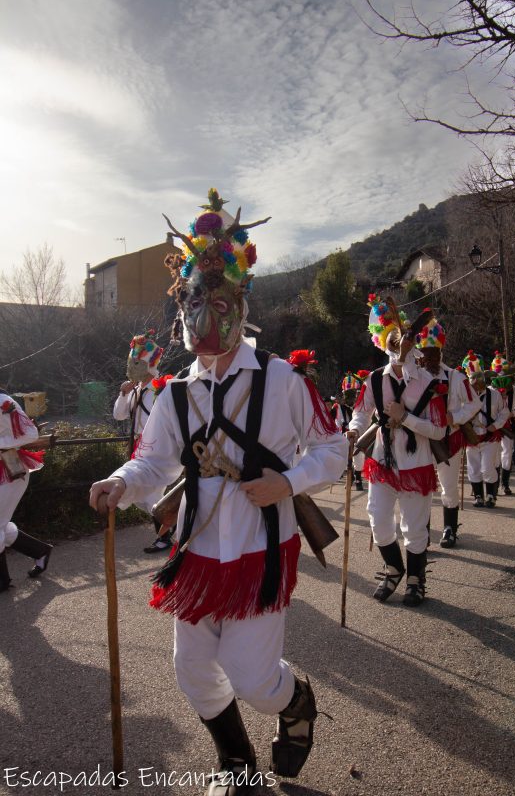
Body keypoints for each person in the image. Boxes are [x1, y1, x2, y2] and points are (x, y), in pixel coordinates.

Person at [90, 188, 347, 795]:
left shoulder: (282, 379)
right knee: (192, 671)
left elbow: (334, 448)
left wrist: (288, 481)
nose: (205, 312)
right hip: (198, 551)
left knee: (253, 679)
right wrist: (120, 482)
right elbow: (151, 461)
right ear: (182, 304)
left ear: (240, 303)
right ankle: (236, 764)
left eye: (218, 298)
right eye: (194, 298)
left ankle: (295, 699)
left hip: (261, 549)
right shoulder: (176, 392)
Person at [348, 295, 447, 607]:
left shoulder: (428, 382)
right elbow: (361, 413)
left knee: (415, 527)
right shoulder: (375, 380)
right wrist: (353, 428)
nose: (398, 344)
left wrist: (405, 418)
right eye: (391, 339)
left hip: (415, 463)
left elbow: (439, 430)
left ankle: (416, 579)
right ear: (384, 343)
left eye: (401, 338)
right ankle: (394, 568)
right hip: (382, 461)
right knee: (377, 518)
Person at [415, 320, 481, 548]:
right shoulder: (412, 376)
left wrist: (456, 417)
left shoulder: (456, 377)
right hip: (420, 440)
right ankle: (421, 535)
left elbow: (474, 404)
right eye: (425, 353)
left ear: (440, 352)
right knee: (421, 489)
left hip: (449, 440)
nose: (429, 358)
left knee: (448, 487)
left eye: (433, 353)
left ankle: (450, 529)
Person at [113, 331, 172, 553]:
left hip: (157, 448)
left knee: (151, 497)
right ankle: (173, 526)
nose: (132, 366)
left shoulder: (161, 389)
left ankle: (167, 535)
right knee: (142, 498)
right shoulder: (135, 389)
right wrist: (122, 394)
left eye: (137, 362)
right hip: (139, 447)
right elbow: (119, 415)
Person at [0, 392, 52, 592]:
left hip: (9, 469)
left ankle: (2, 581)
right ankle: (40, 551)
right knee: (1, 524)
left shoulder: (4, 402)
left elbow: (30, 433)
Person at [462, 352, 509, 508]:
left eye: (477, 383)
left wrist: (495, 425)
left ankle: (491, 495)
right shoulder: (465, 396)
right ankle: (478, 496)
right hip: (471, 436)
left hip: (489, 436)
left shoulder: (495, 395)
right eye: (472, 383)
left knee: (487, 466)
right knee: (474, 468)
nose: (475, 386)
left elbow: (504, 412)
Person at [489, 352, 515, 495]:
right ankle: (495, 484)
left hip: (507, 425)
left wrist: (513, 413)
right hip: (493, 426)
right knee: (495, 454)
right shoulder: (490, 391)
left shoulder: (514, 390)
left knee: (508, 453)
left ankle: (505, 484)